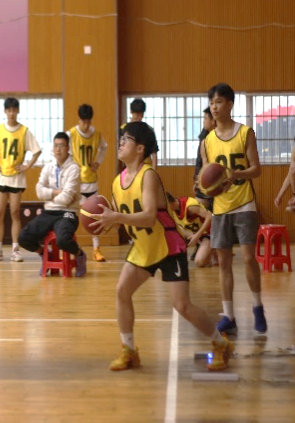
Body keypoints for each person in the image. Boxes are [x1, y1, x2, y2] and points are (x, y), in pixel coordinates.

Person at [91, 121, 234, 372]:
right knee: (122, 291)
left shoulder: (148, 175)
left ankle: (220, 343)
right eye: (121, 138)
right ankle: (129, 350)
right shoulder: (116, 182)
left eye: (126, 139)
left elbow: (148, 217)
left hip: (167, 246)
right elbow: (122, 218)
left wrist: (117, 217)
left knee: (182, 305)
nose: (120, 142)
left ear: (140, 148)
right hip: (143, 247)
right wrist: (106, 222)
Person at [200, 83, 266, 335]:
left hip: (244, 203)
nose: (214, 107)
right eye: (211, 103)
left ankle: (257, 306)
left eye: (218, 102)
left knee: (248, 259)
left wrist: (234, 174)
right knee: (224, 263)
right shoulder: (207, 142)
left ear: (229, 104)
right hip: (220, 208)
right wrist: (204, 186)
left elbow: (256, 170)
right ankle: (229, 315)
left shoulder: (245, 133)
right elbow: (205, 175)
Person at [18, 132, 87, 276]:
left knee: (63, 241)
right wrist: (57, 192)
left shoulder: (74, 169)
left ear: (68, 148)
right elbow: (39, 191)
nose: (58, 149)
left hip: (67, 213)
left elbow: (66, 199)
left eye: (61, 146)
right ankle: (45, 254)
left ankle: (80, 255)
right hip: (49, 212)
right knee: (23, 238)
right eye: (55, 146)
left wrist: (49, 195)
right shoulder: (48, 167)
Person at [0, 98, 42, 262]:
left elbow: (37, 150)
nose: (11, 113)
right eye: (9, 110)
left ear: (18, 111)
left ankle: (15, 249)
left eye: (14, 110)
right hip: (1, 177)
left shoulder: (24, 131)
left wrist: (27, 166)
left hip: (17, 178)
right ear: (5, 111)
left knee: (15, 213)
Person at [68, 104, 108, 262]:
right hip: (76, 183)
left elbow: (104, 148)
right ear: (79, 120)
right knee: (71, 216)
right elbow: (64, 154)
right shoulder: (71, 134)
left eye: (88, 122)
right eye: (83, 122)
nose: (85, 125)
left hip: (91, 182)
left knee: (94, 216)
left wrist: (98, 162)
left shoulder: (96, 134)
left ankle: (96, 249)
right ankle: (69, 247)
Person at [166, 193, 217, 268]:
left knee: (200, 262)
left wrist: (196, 236)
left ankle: (214, 248)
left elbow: (209, 216)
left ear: (168, 203)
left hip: (211, 231)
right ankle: (209, 249)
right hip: (199, 234)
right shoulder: (173, 210)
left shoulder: (189, 206)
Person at [118, 99, 159, 169]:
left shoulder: (148, 129)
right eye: (137, 114)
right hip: (129, 166)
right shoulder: (123, 129)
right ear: (131, 112)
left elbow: (154, 153)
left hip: (146, 165)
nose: (139, 117)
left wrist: (154, 170)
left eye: (141, 114)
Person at [193, 107, 216, 211]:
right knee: (198, 211)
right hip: (205, 179)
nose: (203, 121)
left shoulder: (220, 138)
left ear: (213, 121)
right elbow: (201, 161)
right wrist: (197, 180)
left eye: (205, 118)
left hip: (215, 179)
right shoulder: (204, 136)